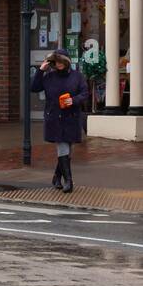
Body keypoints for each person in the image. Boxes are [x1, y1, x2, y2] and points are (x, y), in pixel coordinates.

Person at [31, 48, 88, 193]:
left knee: (67, 150)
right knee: (63, 147)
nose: (59, 64)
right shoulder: (49, 76)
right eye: (56, 61)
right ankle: (69, 181)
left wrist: (73, 100)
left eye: (61, 61)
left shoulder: (77, 77)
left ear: (67, 61)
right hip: (54, 117)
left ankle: (56, 177)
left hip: (71, 117)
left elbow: (84, 93)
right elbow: (34, 88)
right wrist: (40, 70)